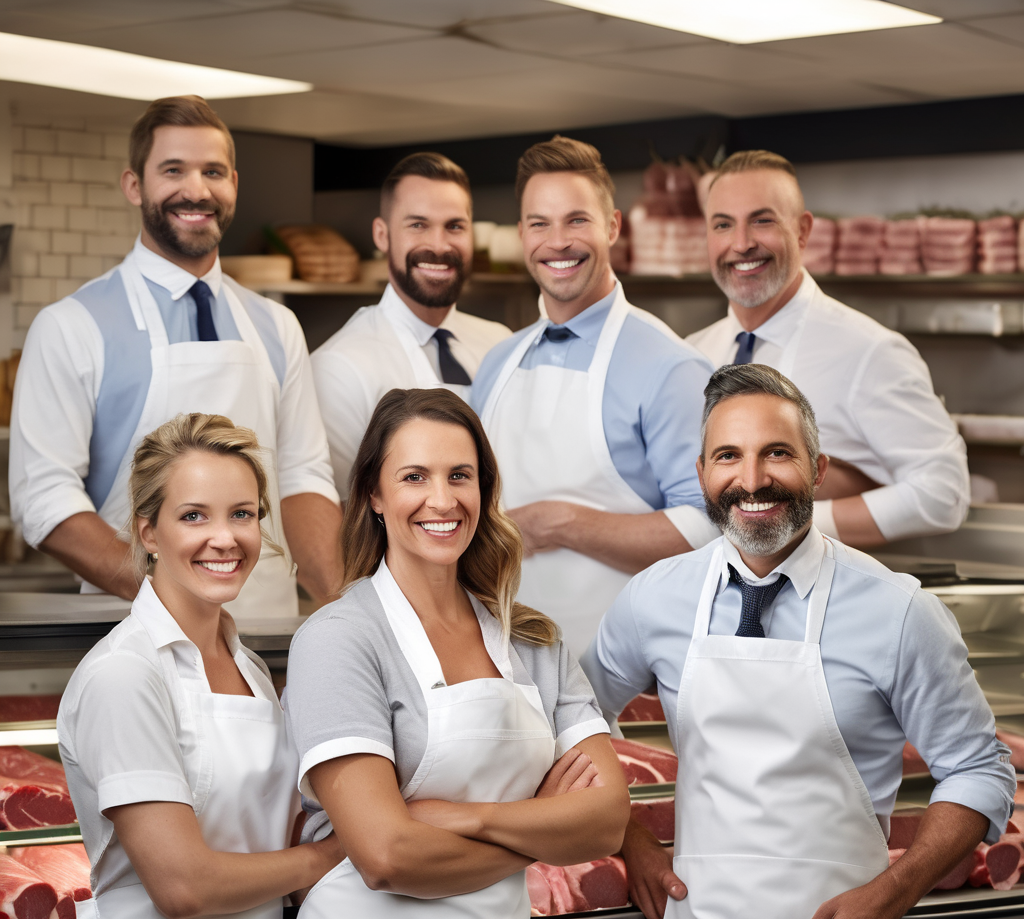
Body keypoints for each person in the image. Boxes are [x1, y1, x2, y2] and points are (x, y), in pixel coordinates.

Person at [581, 364, 1015, 919]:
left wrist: (890, 896)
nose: (751, 480)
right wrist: (631, 842)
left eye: (776, 453)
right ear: (702, 474)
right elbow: (575, 720)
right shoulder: (654, 597)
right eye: (729, 456)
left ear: (816, 468)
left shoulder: (897, 610)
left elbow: (979, 771)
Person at [274, 388, 630, 919]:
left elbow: (605, 819)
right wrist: (542, 822)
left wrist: (464, 817)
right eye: (414, 476)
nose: (442, 500)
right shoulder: (337, 639)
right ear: (374, 498)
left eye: (460, 476)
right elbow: (386, 857)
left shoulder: (534, 640)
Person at [57, 413, 343, 919]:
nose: (225, 538)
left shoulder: (252, 670)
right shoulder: (125, 675)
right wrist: (331, 856)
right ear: (148, 532)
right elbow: (183, 887)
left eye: (242, 513)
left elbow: (276, 829)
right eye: (194, 516)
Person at [10, 95, 342, 616]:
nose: (197, 189)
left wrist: (345, 609)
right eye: (173, 170)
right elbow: (45, 499)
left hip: (268, 635)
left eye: (213, 171)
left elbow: (303, 480)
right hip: (136, 632)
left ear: (234, 182)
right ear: (134, 185)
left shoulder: (277, 326)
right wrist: (169, 601)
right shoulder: (72, 326)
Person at [471, 136, 716, 657]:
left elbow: (711, 529)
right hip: (504, 662)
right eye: (540, 223)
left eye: (576, 220)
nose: (557, 242)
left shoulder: (670, 366)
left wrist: (560, 524)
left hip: (631, 674)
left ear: (612, 226)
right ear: (521, 235)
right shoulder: (497, 364)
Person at [688, 149, 970, 549]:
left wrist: (786, 520)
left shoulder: (869, 350)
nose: (741, 243)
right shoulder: (690, 354)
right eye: (722, 225)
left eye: (762, 220)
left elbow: (945, 493)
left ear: (802, 230)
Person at [312, 152, 510, 495]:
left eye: (455, 226)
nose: (438, 245)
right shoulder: (339, 367)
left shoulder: (500, 344)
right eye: (418, 224)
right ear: (382, 234)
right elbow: (348, 514)